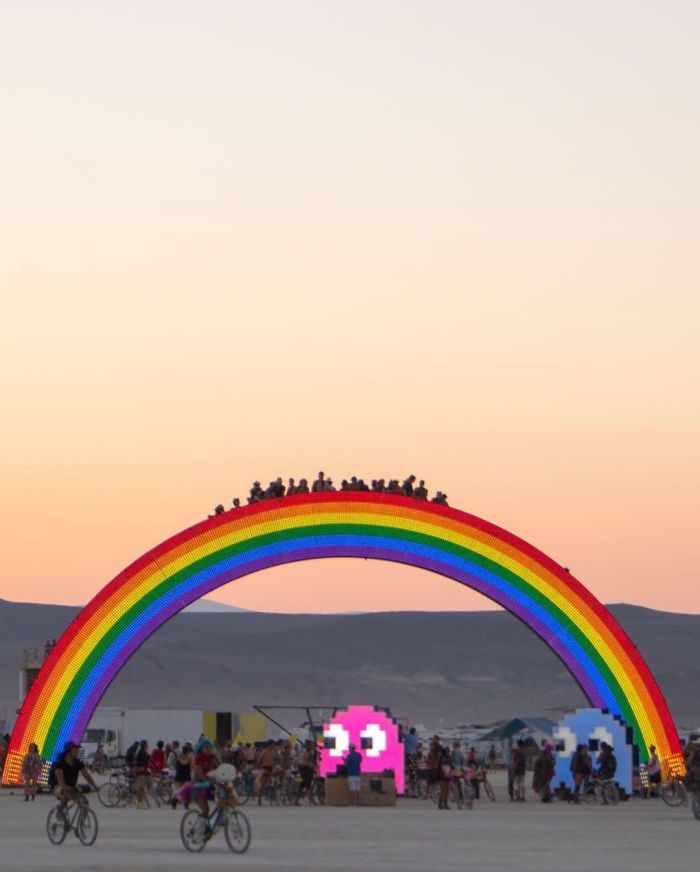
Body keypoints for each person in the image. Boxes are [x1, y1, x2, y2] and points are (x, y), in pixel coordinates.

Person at [191, 738, 219, 819]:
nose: (209, 749)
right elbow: (200, 774)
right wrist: (207, 781)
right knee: (206, 810)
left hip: (209, 786)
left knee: (222, 803)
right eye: (206, 748)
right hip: (198, 787)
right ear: (201, 749)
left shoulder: (211, 759)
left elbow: (218, 770)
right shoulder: (197, 760)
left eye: (210, 748)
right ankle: (199, 828)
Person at [257, 740, 279, 805]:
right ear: (270, 745)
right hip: (264, 768)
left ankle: (274, 796)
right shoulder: (264, 751)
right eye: (273, 745)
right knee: (262, 785)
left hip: (271, 768)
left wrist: (276, 761)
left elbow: (277, 758)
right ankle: (259, 798)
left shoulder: (274, 751)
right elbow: (259, 760)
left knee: (274, 782)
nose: (274, 746)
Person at [171, 742, 193, 809]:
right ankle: (186, 804)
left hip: (179, 774)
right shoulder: (189, 758)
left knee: (177, 789)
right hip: (186, 775)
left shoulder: (178, 757)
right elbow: (191, 768)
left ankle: (174, 803)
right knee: (185, 789)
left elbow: (176, 766)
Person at [134, 740, 152, 809]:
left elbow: (150, 760)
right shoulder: (141, 752)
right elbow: (139, 763)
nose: (148, 746)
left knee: (147, 785)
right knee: (140, 788)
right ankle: (139, 803)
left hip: (145, 771)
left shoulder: (144, 752)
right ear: (144, 745)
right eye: (147, 744)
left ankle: (141, 800)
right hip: (141, 772)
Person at [404, 728, 419, 797]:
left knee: (408, 772)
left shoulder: (407, 736)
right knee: (413, 773)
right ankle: (413, 790)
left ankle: (408, 789)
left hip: (408, 755)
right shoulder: (416, 737)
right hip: (414, 756)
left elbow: (400, 733)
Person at [438, 744, 453, 809]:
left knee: (445, 790)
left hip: (445, 775)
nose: (448, 752)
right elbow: (441, 767)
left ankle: (443, 803)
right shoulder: (444, 758)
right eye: (447, 751)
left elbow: (450, 765)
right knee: (444, 790)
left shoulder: (443, 758)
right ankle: (442, 803)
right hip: (444, 775)